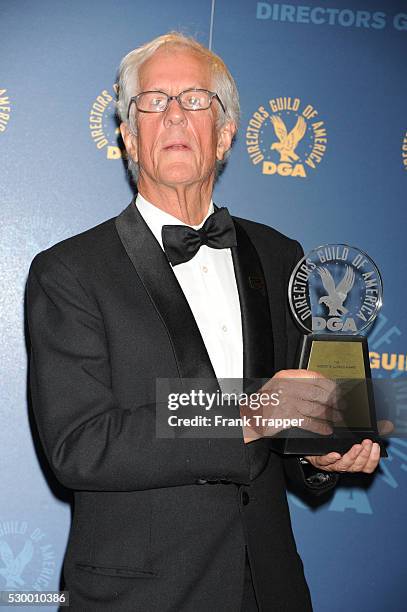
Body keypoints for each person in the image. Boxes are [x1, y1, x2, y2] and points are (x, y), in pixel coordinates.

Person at [27, 33, 383, 611]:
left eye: (195, 99)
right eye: (153, 101)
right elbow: (79, 445)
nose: (173, 114)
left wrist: (321, 456)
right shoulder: (69, 271)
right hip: (138, 595)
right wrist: (253, 410)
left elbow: (290, 426)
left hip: (269, 590)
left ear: (222, 137)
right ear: (127, 137)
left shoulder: (278, 254)